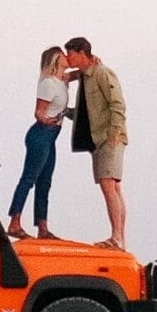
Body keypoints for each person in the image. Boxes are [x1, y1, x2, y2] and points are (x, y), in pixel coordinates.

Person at [63, 36, 127, 248]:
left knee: (109, 184)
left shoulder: (101, 72)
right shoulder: (86, 75)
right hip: (97, 139)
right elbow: (87, 108)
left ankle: (117, 237)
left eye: (71, 54)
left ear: (81, 53)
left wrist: (113, 134)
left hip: (109, 137)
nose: (68, 58)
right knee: (112, 186)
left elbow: (117, 104)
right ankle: (119, 238)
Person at [4, 47, 68, 239]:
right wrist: (48, 120)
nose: (67, 57)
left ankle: (43, 227)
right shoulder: (48, 83)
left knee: (45, 181)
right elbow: (39, 112)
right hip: (42, 133)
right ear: (56, 59)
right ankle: (14, 222)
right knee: (29, 178)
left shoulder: (61, 81)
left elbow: (79, 73)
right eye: (63, 55)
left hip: (51, 136)